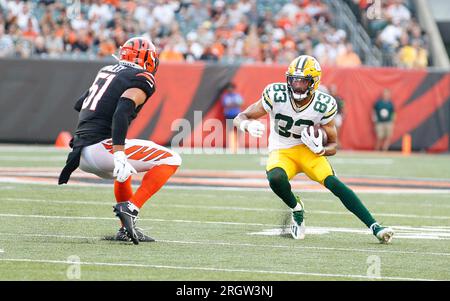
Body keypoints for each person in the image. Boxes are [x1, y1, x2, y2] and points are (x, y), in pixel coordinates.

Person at [233, 55, 394, 243]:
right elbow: (241, 116)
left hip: (308, 151)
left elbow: (334, 145)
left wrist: (321, 150)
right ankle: (296, 208)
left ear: (314, 82)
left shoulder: (324, 104)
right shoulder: (276, 93)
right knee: (275, 178)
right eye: (294, 80)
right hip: (282, 149)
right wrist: (247, 126)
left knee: (334, 184)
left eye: (303, 81)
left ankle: (375, 227)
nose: (297, 85)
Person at [59, 37, 182, 245]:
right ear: (147, 59)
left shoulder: (107, 70)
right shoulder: (142, 77)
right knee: (171, 159)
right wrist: (119, 153)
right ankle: (131, 208)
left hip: (81, 152)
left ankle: (125, 229)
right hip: (101, 149)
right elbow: (122, 112)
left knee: (125, 172)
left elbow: (80, 104)